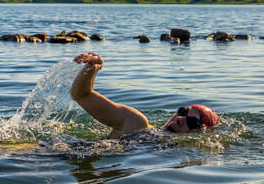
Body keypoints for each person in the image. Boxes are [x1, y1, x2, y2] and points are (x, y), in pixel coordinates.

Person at [71, 53, 220, 138]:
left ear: (201, 133)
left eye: (192, 122)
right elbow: (81, 96)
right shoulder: (136, 123)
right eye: (182, 112)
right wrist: (92, 68)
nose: (180, 118)